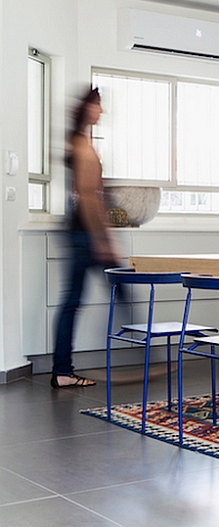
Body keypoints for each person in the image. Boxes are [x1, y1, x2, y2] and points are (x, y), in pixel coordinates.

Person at [52, 87, 120, 388]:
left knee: (74, 301)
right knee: (121, 285)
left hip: (80, 232)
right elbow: (90, 198)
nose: (101, 111)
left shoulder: (78, 142)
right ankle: (150, 354)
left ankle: (62, 370)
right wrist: (103, 240)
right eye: (98, 106)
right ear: (87, 109)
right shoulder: (83, 147)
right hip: (86, 234)